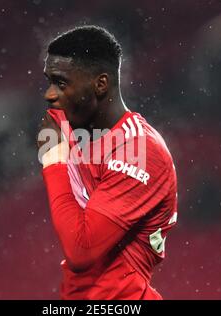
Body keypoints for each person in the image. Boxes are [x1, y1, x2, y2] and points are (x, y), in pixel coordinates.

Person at [37, 25, 178, 300]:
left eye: (61, 83)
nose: (50, 94)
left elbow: (81, 250)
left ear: (100, 84)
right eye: (49, 82)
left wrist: (54, 161)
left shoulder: (140, 151)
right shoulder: (66, 122)